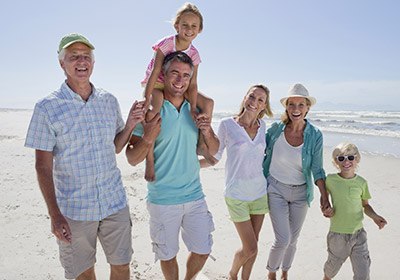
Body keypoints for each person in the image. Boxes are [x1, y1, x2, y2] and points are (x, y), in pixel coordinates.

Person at [25, 33, 146, 280]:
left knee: (122, 267)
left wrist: (131, 124)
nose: (81, 62)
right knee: (83, 273)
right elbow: (42, 167)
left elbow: (115, 146)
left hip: (114, 203)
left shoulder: (108, 100)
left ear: (93, 62)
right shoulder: (47, 107)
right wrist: (55, 215)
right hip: (75, 210)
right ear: (62, 64)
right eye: (74, 57)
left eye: (86, 56)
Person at [126, 51, 219, 280]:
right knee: (167, 255)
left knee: (203, 250)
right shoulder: (150, 111)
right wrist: (148, 138)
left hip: (194, 195)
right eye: (175, 73)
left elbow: (214, 149)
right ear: (164, 75)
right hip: (162, 199)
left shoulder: (195, 109)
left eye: (186, 75)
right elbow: (132, 158)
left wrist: (207, 130)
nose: (180, 80)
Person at [201, 84, 273, 279]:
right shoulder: (227, 125)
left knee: (254, 247)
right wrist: (191, 165)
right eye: (252, 97)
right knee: (249, 248)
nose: (254, 102)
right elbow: (215, 157)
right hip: (236, 195)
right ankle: (233, 274)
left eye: (260, 100)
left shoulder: (263, 127)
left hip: (259, 193)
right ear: (245, 98)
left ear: (264, 106)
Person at [262, 83, 331, 280]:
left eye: (301, 105)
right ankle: (271, 273)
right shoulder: (275, 130)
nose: (296, 109)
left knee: (293, 239)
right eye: (292, 105)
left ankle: (285, 272)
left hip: (301, 193)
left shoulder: (315, 135)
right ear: (286, 107)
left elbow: (317, 169)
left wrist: (324, 197)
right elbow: (256, 149)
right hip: (275, 188)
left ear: (308, 107)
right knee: (283, 239)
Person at [141, 2, 215, 182]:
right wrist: (146, 98)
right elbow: (155, 72)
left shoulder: (195, 54)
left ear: (199, 30)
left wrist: (192, 108)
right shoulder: (166, 44)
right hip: (157, 84)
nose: (189, 30)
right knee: (156, 107)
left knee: (208, 103)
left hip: (180, 85)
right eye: (185, 25)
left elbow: (194, 83)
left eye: (194, 26)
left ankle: (200, 145)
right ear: (177, 26)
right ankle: (149, 160)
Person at [322, 142, 387, 280]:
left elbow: (365, 206)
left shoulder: (362, 182)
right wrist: (326, 210)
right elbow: (324, 200)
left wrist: (375, 217)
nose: (346, 161)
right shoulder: (331, 180)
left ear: (356, 159)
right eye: (341, 158)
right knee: (330, 271)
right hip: (338, 235)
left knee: (363, 274)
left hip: (359, 235)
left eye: (350, 157)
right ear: (336, 162)